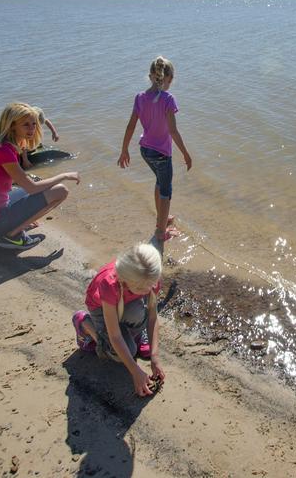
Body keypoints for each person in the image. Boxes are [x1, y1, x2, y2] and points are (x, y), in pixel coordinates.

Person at [0, 103, 80, 250]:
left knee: (41, 185)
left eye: (34, 124)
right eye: (25, 125)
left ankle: (17, 223)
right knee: (60, 190)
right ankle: (13, 235)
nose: (32, 129)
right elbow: (32, 188)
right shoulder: (4, 151)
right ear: (12, 125)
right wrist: (64, 175)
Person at [72, 243, 165, 397]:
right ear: (125, 281)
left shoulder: (150, 278)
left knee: (137, 314)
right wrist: (135, 371)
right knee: (120, 355)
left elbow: (152, 318)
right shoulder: (110, 284)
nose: (149, 290)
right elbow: (115, 336)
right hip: (101, 308)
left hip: (126, 302)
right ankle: (84, 324)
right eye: (143, 288)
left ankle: (132, 335)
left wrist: (155, 357)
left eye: (151, 285)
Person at [117, 56, 193, 244]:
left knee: (159, 182)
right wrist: (185, 153)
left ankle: (162, 218)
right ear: (169, 79)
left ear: (150, 76)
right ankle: (161, 231)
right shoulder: (168, 99)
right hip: (161, 154)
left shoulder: (140, 97)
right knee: (166, 191)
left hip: (146, 151)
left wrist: (124, 150)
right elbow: (173, 131)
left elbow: (130, 126)